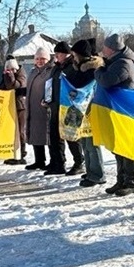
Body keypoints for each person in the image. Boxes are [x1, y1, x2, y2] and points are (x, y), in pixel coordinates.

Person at [96, 33, 134, 196]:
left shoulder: (123, 63)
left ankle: (131, 182)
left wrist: (98, 68)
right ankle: (121, 180)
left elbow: (106, 81)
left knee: (126, 147)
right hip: (116, 110)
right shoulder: (115, 62)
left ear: (112, 49)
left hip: (125, 112)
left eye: (105, 47)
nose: (102, 50)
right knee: (118, 147)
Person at [66, 39, 105, 185]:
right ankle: (90, 171)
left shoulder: (91, 70)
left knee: (91, 144)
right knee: (85, 143)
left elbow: (80, 85)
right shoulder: (80, 68)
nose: (73, 58)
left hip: (91, 110)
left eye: (75, 55)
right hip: (82, 110)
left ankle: (97, 174)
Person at [46, 42, 84, 176]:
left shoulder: (72, 66)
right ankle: (58, 163)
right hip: (55, 105)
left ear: (66, 54)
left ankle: (79, 162)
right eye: (55, 53)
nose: (56, 56)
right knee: (55, 136)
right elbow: (50, 84)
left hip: (68, 106)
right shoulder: (56, 68)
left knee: (71, 136)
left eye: (58, 53)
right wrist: (47, 98)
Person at [25, 47, 54, 170]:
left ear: (47, 59)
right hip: (33, 108)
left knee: (48, 136)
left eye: (43, 59)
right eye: (37, 59)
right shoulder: (33, 72)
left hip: (45, 108)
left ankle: (54, 161)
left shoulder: (50, 71)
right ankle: (39, 160)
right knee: (35, 134)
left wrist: (48, 101)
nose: (40, 61)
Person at [0, 57, 29, 165]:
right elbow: (4, 86)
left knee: (20, 131)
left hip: (20, 106)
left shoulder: (21, 74)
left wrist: (10, 76)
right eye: (8, 69)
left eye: (12, 69)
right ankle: (13, 153)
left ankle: (22, 153)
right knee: (11, 131)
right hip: (9, 106)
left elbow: (14, 85)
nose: (10, 71)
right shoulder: (6, 75)